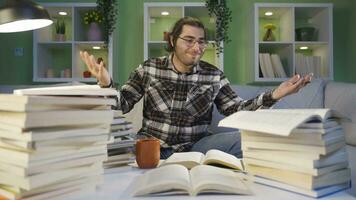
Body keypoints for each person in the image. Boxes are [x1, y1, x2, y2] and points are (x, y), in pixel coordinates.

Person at [80, 17, 312, 159]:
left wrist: (276, 94)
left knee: (245, 141)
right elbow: (123, 103)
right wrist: (105, 84)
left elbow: (237, 109)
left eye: (201, 41)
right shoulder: (149, 68)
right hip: (151, 144)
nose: (197, 47)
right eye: (189, 40)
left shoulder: (213, 75)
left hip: (197, 146)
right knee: (108, 145)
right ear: (172, 41)